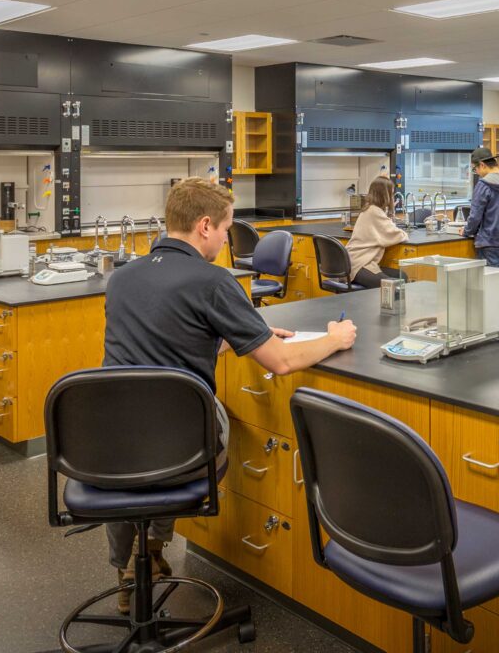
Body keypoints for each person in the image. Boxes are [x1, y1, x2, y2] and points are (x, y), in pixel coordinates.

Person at [101, 177, 357, 612]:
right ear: (204, 226)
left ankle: (129, 562)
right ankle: (158, 538)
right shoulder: (214, 281)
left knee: (142, 449)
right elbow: (281, 362)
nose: (226, 239)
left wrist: (244, 336)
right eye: (224, 229)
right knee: (204, 428)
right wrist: (336, 337)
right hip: (178, 443)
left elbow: (168, 336)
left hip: (105, 440)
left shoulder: (122, 278)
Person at [346, 176, 407, 288]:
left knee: (401, 275)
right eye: (392, 193)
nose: (393, 196)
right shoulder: (375, 212)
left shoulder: (369, 209)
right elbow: (398, 235)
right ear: (385, 194)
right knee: (392, 286)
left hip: (354, 261)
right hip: (360, 264)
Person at [463, 146, 499, 267]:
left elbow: (475, 216)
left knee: (490, 283)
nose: (476, 172)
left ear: (482, 165)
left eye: (475, 169)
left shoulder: (483, 185)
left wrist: (466, 231)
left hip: (490, 241)